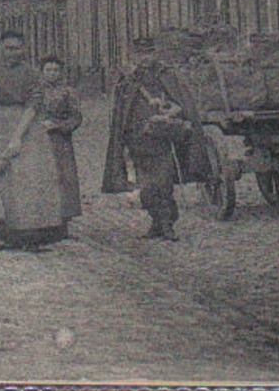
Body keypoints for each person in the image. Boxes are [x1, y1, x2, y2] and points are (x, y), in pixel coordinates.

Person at [102, 38, 210, 241]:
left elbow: (182, 104)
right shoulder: (128, 80)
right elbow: (121, 112)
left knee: (163, 183)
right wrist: (122, 138)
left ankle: (168, 224)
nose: (145, 58)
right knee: (147, 186)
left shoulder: (166, 76)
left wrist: (170, 111)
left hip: (161, 139)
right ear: (134, 56)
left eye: (149, 53)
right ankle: (156, 222)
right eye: (140, 54)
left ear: (155, 54)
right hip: (137, 139)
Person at [0, 31, 67, 251]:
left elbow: (33, 106)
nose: (14, 52)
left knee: (27, 178)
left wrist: (18, 137)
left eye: (18, 47)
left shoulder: (31, 74)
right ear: (0, 48)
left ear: (24, 49)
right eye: (9, 48)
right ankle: (3, 231)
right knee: (2, 178)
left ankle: (31, 234)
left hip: (26, 127)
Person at [39, 55, 84, 232]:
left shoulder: (68, 92)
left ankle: (63, 223)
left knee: (64, 178)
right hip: (38, 140)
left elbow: (76, 117)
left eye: (55, 70)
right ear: (42, 72)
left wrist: (58, 125)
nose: (52, 74)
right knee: (42, 177)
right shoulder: (35, 91)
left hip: (60, 141)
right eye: (48, 70)